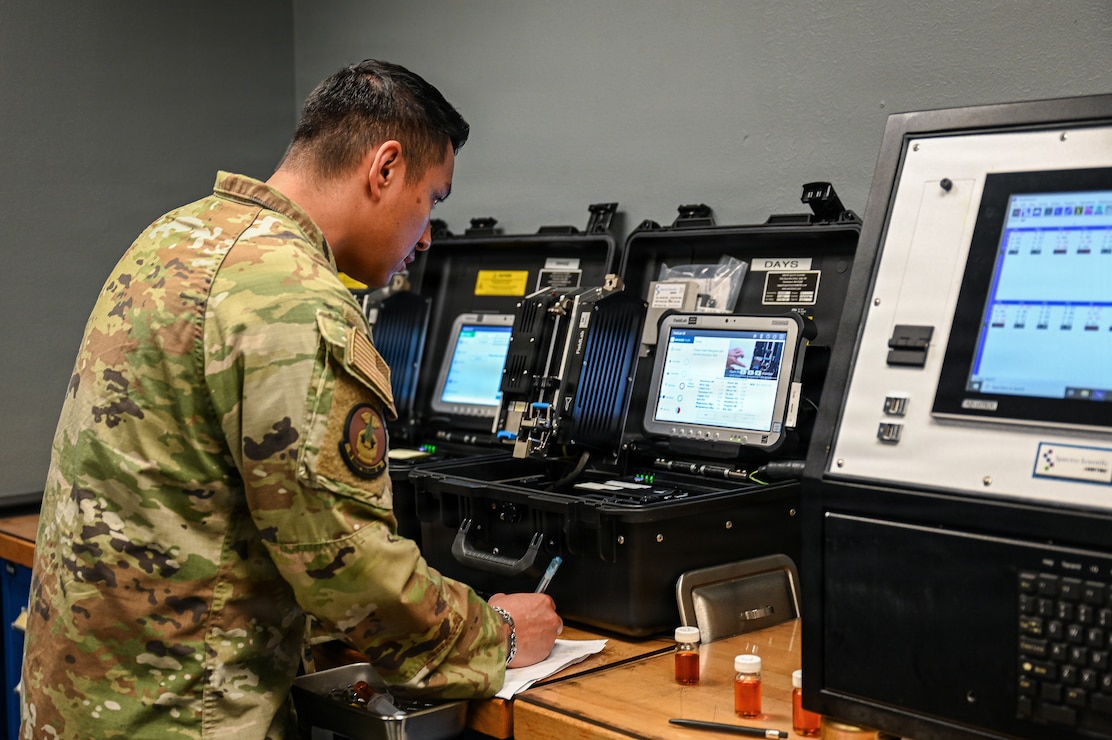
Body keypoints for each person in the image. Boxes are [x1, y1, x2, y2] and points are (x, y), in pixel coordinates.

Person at [20, 59, 562, 739]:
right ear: (385, 167)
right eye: (433, 199)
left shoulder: (171, 239)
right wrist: (500, 634)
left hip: (82, 703)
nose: (427, 236)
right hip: (187, 713)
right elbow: (346, 564)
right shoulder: (292, 297)